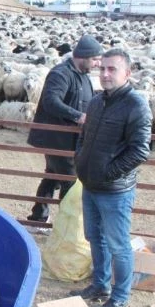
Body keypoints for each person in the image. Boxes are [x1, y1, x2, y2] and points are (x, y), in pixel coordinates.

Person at [70, 48, 151, 307]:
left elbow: (140, 151)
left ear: (127, 73)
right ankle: (100, 286)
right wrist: (80, 158)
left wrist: (107, 173)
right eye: (102, 68)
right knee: (95, 237)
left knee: (118, 245)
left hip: (115, 191)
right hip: (91, 185)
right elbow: (84, 135)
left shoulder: (136, 106)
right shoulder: (96, 101)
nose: (104, 74)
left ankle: (119, 296)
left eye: (111, 69)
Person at [26, 34, 103, 223]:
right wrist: (78, 116)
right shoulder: (61, 73)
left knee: (52, 176)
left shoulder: (83, 77)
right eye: (94, 59)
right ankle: (66, 223)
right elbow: (51, 101)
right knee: (70, 180)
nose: (96, 64)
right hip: (57, 138)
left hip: (71, 140)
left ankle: (38, 216)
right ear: (83, 56)